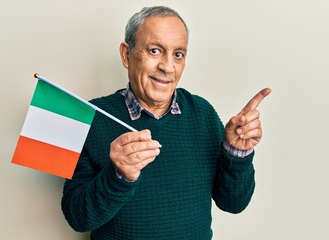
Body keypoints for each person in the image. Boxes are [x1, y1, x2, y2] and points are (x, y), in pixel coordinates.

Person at [61, 6, 271, 240]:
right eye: (155, 50)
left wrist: (237, 153)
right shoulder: (92, 117)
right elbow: (77, 218)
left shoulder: (202, 113)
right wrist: (118, 176)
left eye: (178, 54)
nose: (167, 67)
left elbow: (234, 203)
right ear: (126, 55)